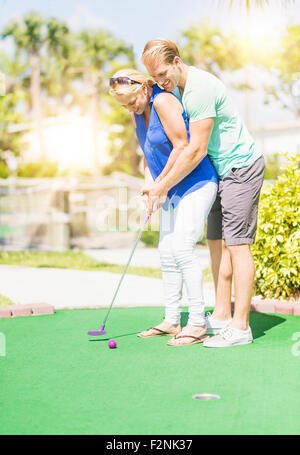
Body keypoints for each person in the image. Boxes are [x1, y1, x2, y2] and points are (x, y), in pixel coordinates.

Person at [141, 38, 266, 348]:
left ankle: (241, 327)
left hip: (241, 167)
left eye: (162, 73)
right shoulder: (176, 91)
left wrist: (162, 186)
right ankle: (222, 315)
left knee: (238, 246)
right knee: (215, 243)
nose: (160, 81)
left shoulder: (199, 90)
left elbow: (195, 150)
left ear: (176, 61)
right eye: (155, 77)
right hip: (221, 171)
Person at [109, 68, 218, 346]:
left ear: (144, 87)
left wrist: (162, 185)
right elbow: (149, 156)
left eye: (131, 101)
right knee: (166, 251)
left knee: (182, 248)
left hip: (195, 183)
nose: (130, 108)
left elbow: (183, 146)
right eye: (124, 106)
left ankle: (196, 323)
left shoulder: (163, 101)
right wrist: (150, 187)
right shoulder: (138, 113)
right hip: (168, 189)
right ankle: (171, 319)